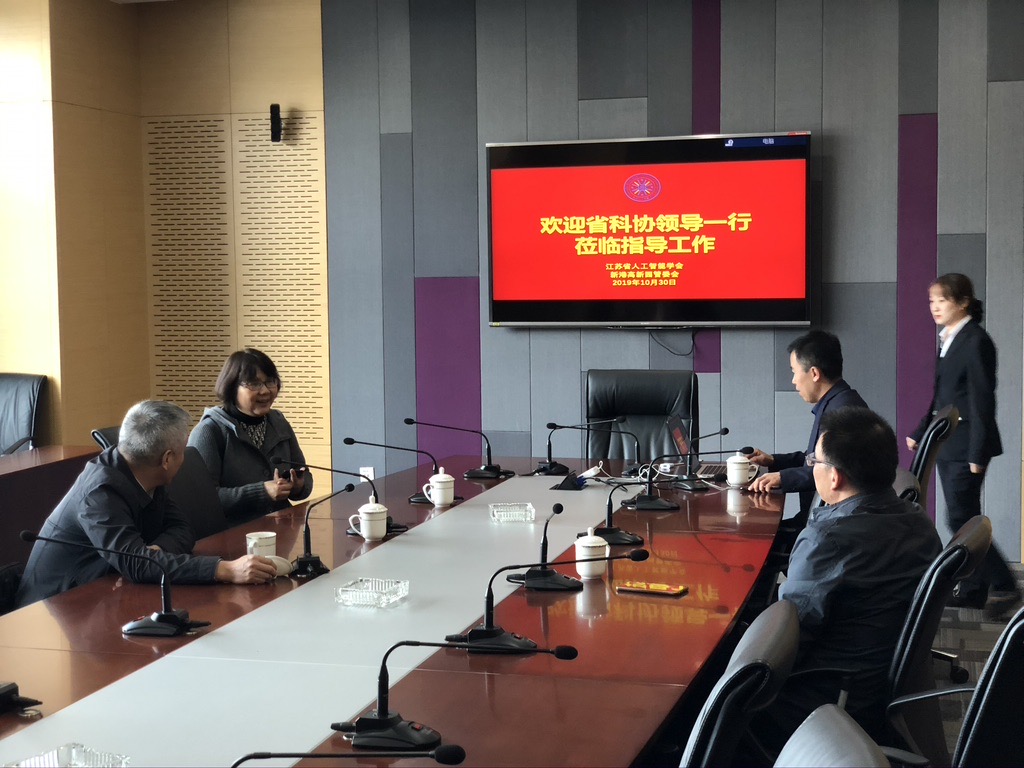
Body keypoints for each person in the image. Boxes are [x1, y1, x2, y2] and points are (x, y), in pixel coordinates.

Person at [746, 406, 941, 758]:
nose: (811, 467)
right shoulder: (919, 522)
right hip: (876, 682)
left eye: (814, 461)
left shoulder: (828, 540)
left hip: (827, 699)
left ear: (834, 477)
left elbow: (786, 644)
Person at [15, 401, 278, 608]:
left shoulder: (146, 471)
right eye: (183, 449)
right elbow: (137, 565)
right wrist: (224, 569)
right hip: (54, 607)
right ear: (167, 459)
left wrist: (155, 552)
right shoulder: (100, 491)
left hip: (107, 590)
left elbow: (182, 529)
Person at [907, 273, 1020, 619]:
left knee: (960, 518)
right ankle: (973, 590)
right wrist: (921, 430)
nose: (935, 306)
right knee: (964, 518)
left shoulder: (975, 341)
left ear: (963, 302)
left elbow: (982, 400)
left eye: (942, 300)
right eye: (932, 300)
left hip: (967, 445)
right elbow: (943, 397)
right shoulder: (949, 339)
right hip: (950, 444)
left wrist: (978, 452)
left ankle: (1005, 584)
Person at [747, 330, 867, 517]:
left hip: (828, 524)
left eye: (794, 372)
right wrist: (774, 461)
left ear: (814, 373)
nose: (794, 381)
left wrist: (783, 478)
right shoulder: (836, 402)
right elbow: (816, 460)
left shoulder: (844, 412)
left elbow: (834, 472)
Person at [189, 348, 312, 519]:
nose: (265, 391)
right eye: (254, 384)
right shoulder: (209, 431)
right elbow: (201, 499)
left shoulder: (279, 422)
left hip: (282, 527)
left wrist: (298, 485)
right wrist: (262, 492)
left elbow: (303, 472)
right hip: (234, 532)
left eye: (270, 382)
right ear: (232, 387)